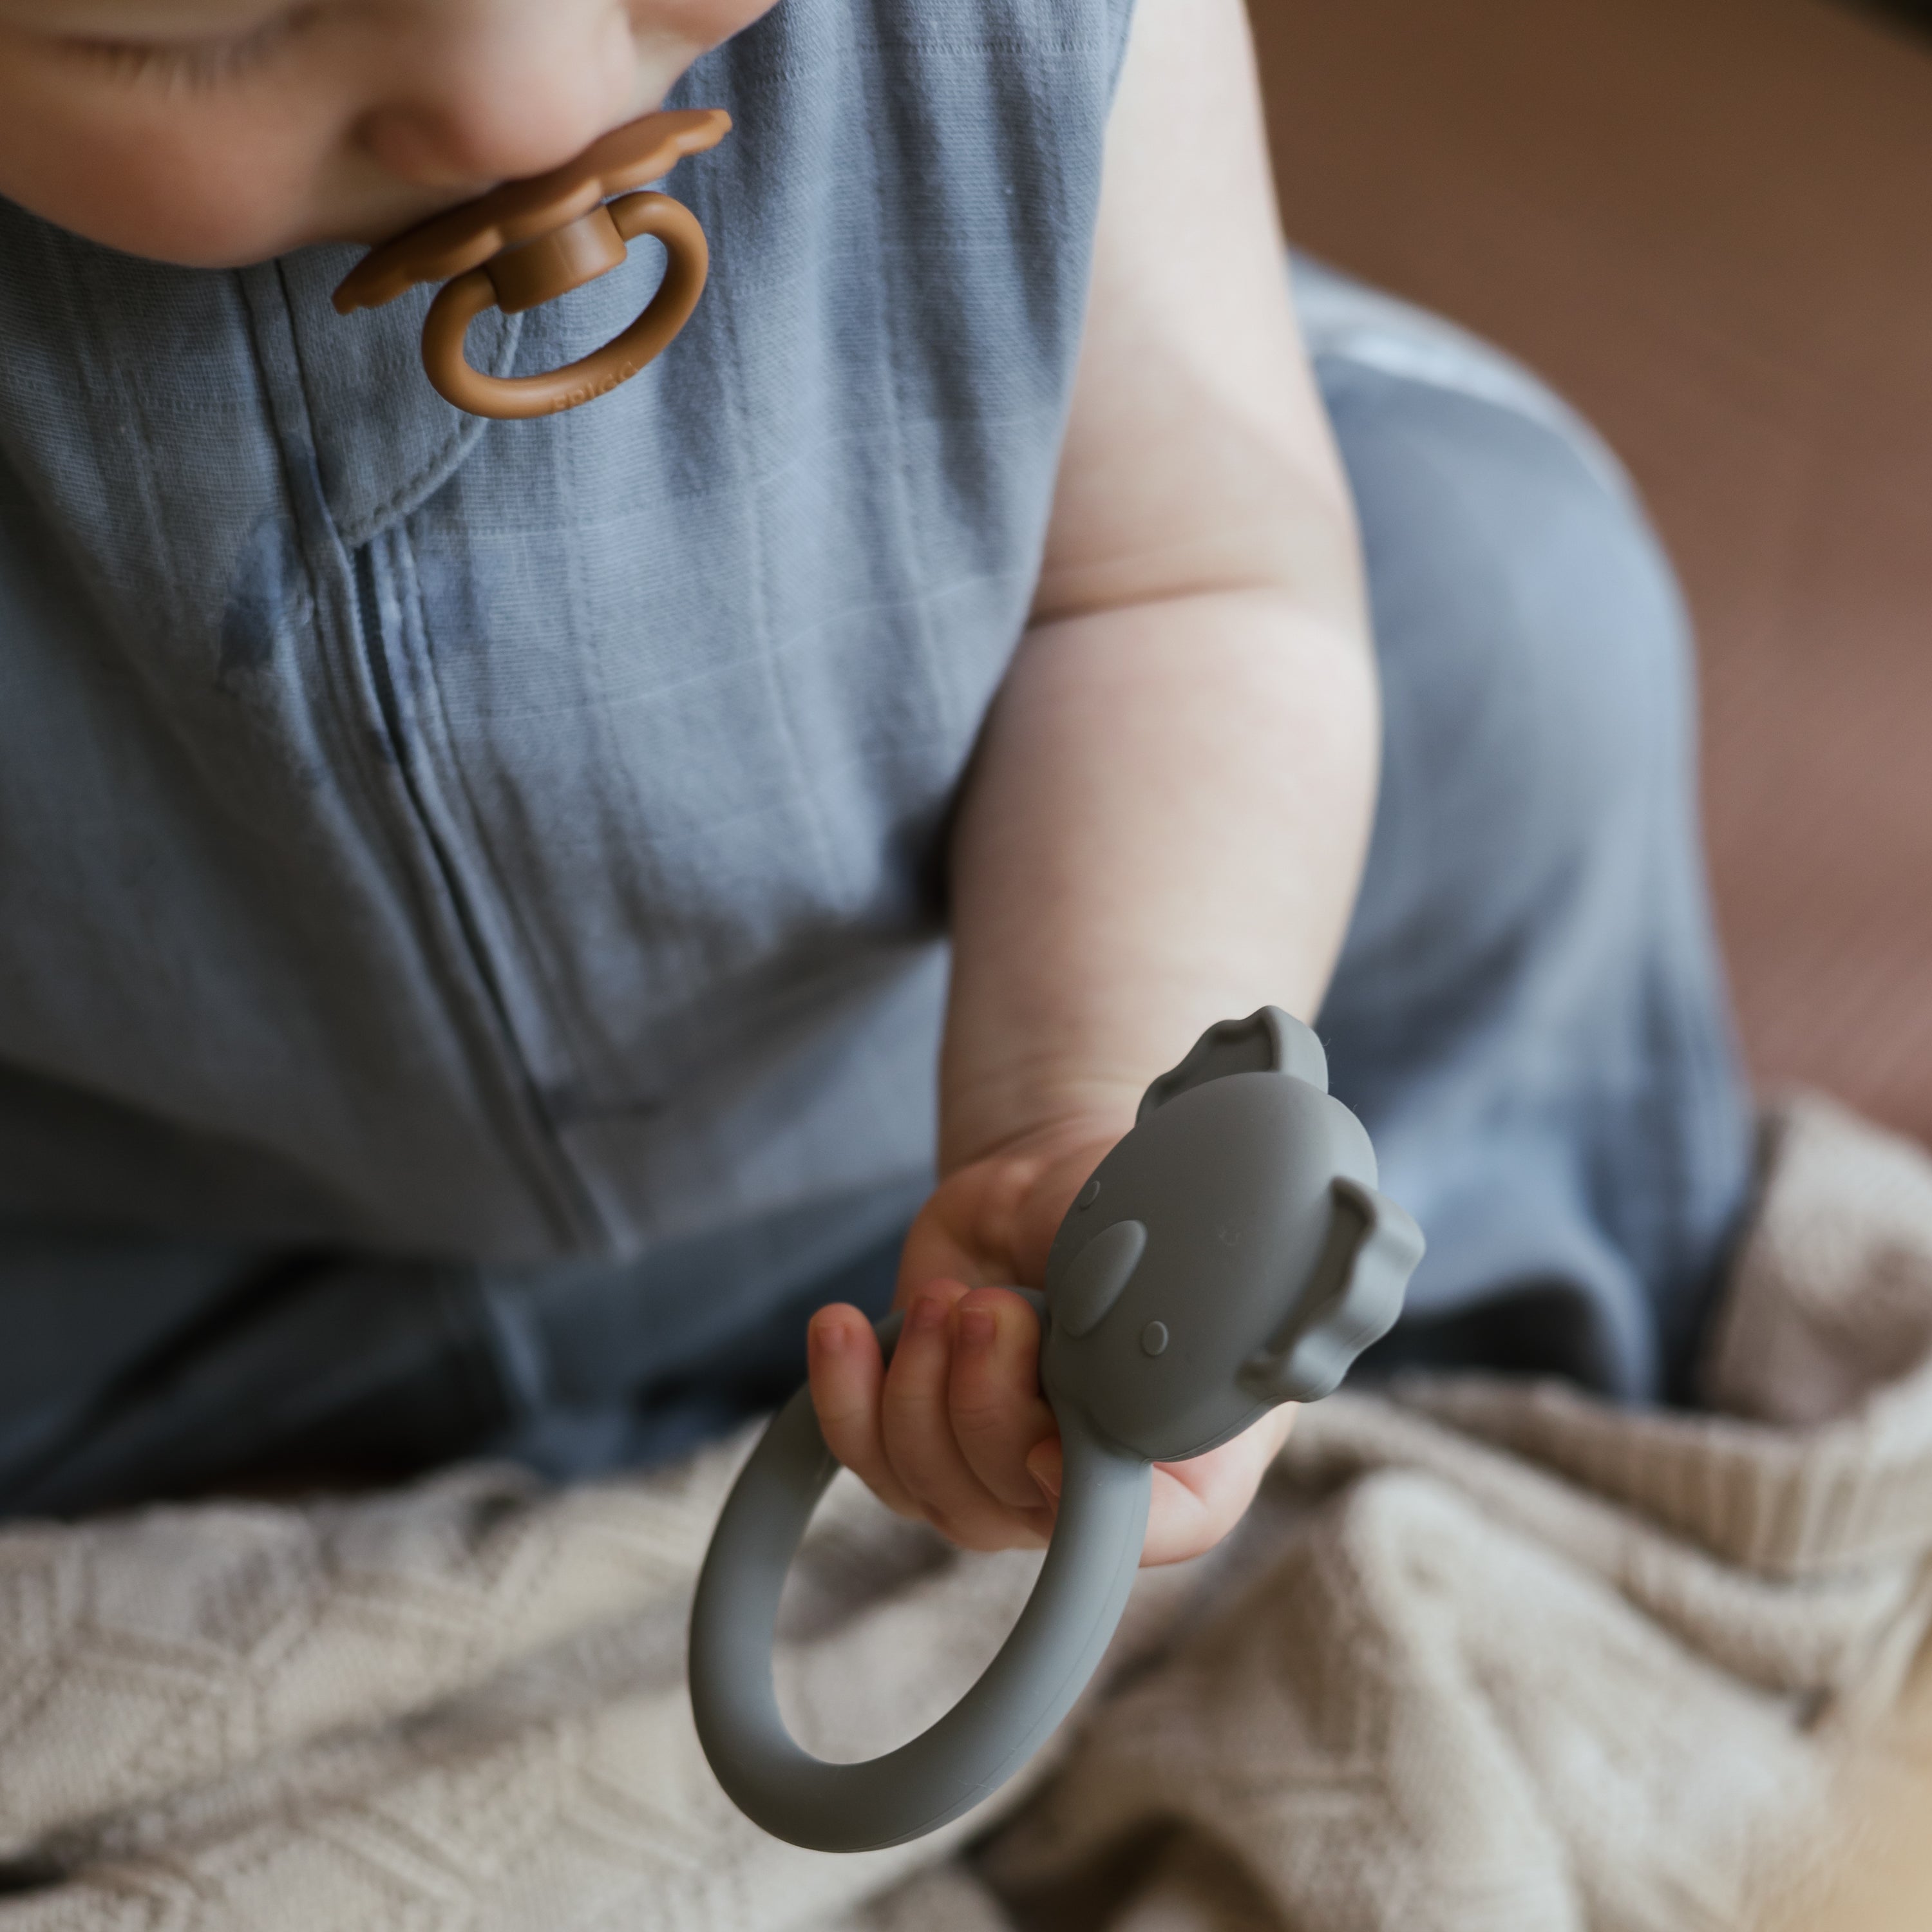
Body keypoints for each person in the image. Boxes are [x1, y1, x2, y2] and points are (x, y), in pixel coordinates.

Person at [0, 0, 1750, 1560]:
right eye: (182, 32)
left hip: (896, 1074)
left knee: (1517, 628)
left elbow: (1179, 587)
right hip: (173, 1216)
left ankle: (1497, 1348)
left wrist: (1073, 1113)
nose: (520, 101)